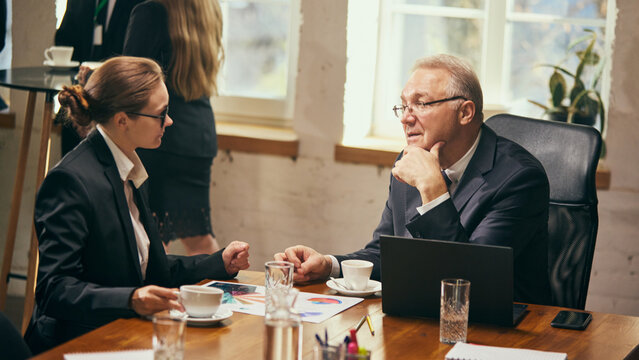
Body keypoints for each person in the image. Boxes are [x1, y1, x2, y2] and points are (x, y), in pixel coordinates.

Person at [275, 54, 552, 305]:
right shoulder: (410, 161)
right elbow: (388, 255)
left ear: (465, 112)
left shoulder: (519, 179)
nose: (406, 118)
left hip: (502, 335)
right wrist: (329, 265)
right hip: (424, 320)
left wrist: (433, 191)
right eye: (404, 105)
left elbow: (469, 285)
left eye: (420, 103)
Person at [24, 56, 250, 354]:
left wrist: (217, 262)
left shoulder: (129, 168)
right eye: (161, 113)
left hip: (123, 332)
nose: (169, 121)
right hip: (76, 343)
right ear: (122, 120)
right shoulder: (71, 181)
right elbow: (54, 289)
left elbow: (143, 264)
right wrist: (130, 299)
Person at [122, 0, 223, 255]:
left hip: (160, 135)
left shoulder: (151, 11)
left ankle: (155, 294)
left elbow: (129, 78)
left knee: (152, 237)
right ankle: (217, 293)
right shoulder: (207, 7)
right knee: (198, 238)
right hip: (198, 135)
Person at [55, 0, 144, 155]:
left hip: (117, 102)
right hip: (80, 96)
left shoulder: (139, 5)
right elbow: (63, 39)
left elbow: (136, 58)